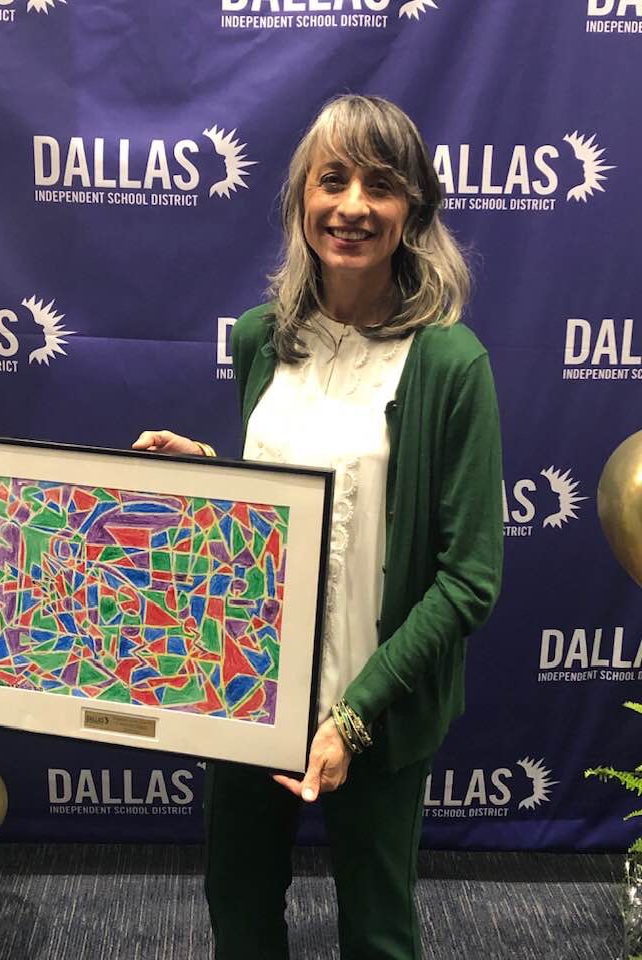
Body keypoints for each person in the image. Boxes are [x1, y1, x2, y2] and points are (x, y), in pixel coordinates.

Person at [133, 94, 503, 960]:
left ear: (414, 208)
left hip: (376, 708)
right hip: (248, 693)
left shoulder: (452, 364)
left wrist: (355, 717)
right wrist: (210, 480)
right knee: (239, 911)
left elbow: (469, 578)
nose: (352, 206)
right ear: (302, 196)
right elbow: (292, 514)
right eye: (332, 180)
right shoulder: (262, 338)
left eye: (381, 185)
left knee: (377, 931)